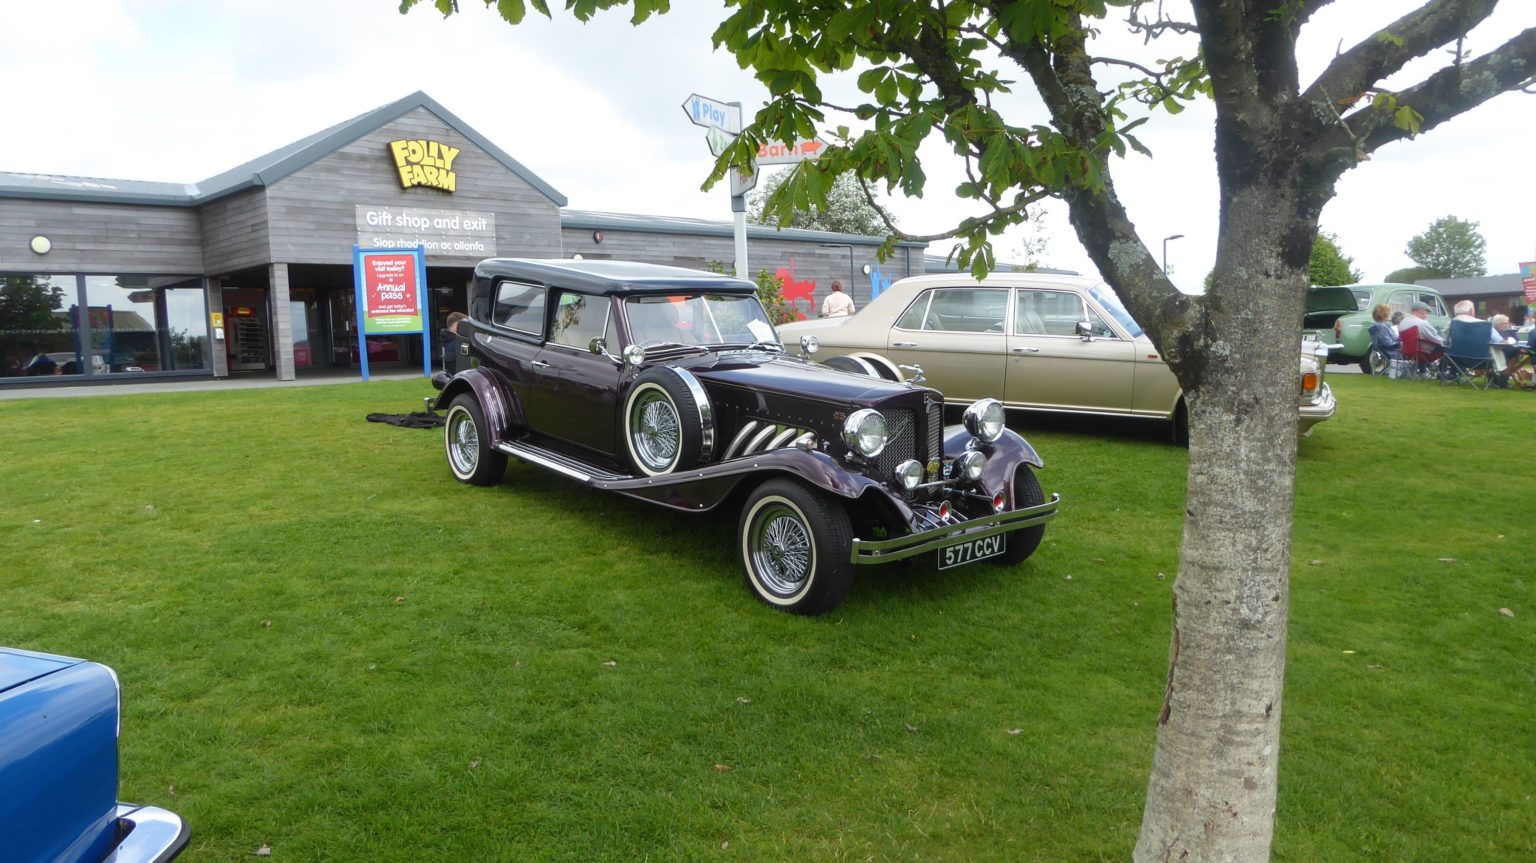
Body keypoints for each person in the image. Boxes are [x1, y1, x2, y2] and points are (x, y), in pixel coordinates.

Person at [1367, 303, 1401, 375]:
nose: (1390, 314)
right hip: (1391, 350)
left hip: (1387, 349)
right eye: (1388, 313)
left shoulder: (1379, 325)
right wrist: (1400, 344)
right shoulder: (1381, 326)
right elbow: (1387, 342)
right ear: (1384, 314)